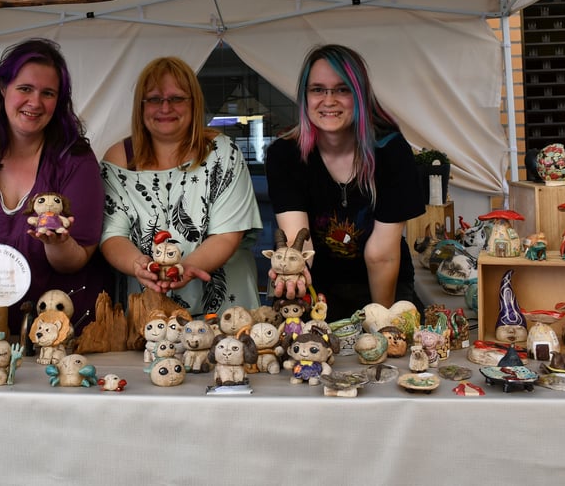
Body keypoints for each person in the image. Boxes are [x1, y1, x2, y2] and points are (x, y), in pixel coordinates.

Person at [0, 38, 105, 335]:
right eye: (25, 89)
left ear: (58, 101)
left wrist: (56, 242)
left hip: (59, 327)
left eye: (47, 93)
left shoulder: (75, 159)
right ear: (2, 88)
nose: (35, 103)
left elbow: (76, 260)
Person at [264, 44, 425, 323]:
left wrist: (382, 324)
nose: (329, 100)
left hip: (386, 285)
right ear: (304, 97)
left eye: (342, 89)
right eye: (317, 89)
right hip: (320, 290)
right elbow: (298, 238)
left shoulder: (391, 150)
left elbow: (382, 255)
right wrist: (292, 272)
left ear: (360, 96)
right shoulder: (285, 155)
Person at [100, 56, 262, 316]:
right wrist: (138, 265)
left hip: (226, 308)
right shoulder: (118, 158)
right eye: (154, 99)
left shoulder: (222, 152)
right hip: (148, 311)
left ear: (194, 103)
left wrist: (185, 267)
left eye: (176, 98)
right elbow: (112, 235)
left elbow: (228, 234)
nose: (165, 108)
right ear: (140, 106)